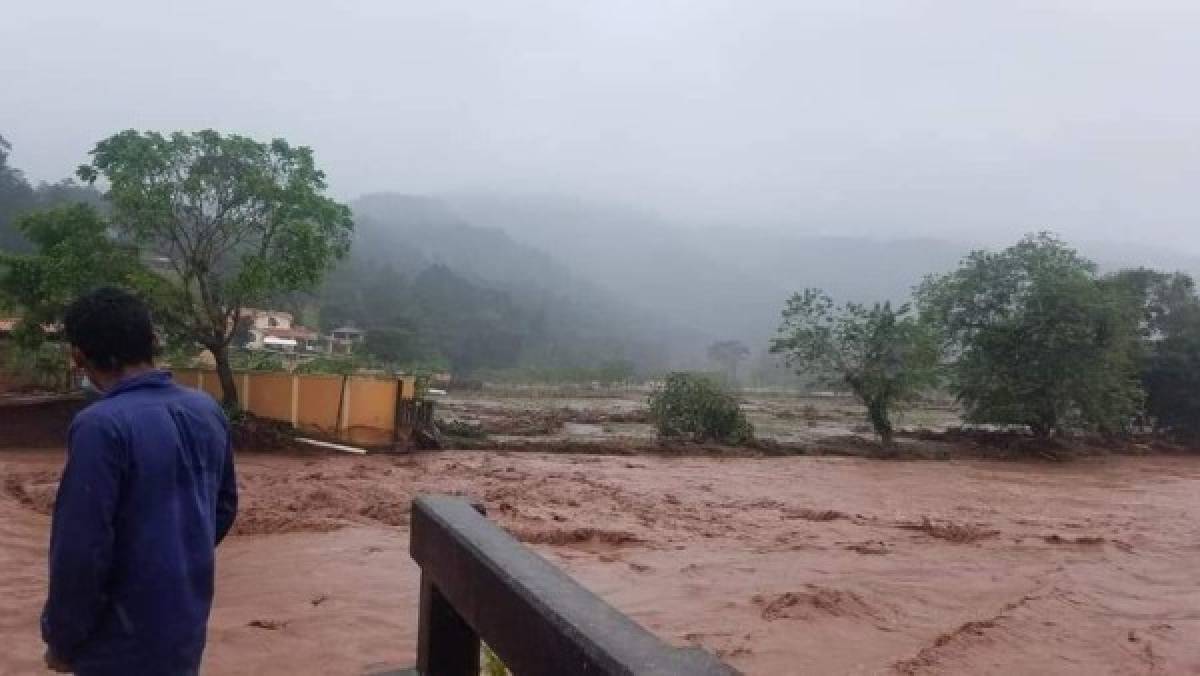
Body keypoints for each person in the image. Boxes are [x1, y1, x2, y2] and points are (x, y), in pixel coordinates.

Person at [41, 287, 238, 675]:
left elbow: (80, 552)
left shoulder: (101, 425)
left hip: (116, 644)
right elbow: (225, 505)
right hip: (185, 627)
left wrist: (62, 639)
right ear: (151, 341)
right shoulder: (206, 409)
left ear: (79, 356)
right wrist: (173, 552)